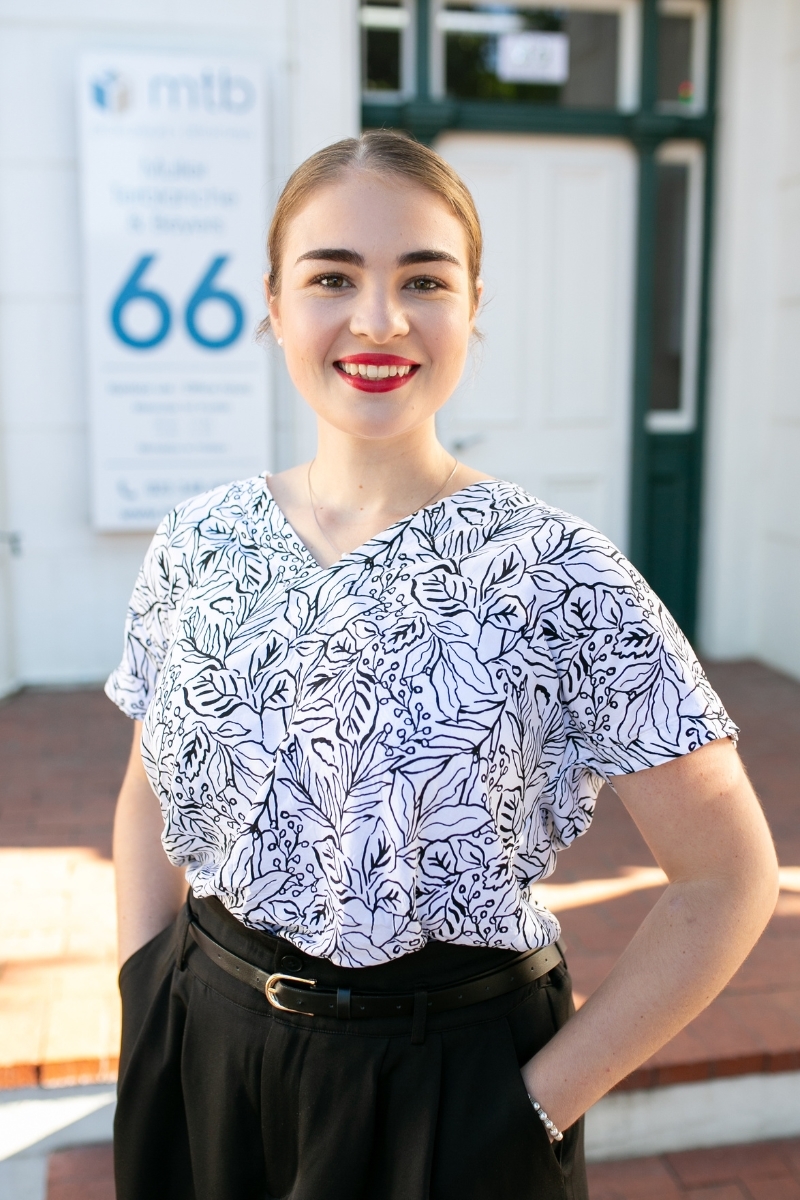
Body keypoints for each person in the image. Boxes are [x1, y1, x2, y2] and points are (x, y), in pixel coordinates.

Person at [107, 131, 778, 1200]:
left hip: (449, 1088)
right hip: (204, 1049)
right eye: (332, 277)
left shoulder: (556, 571)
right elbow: (148, 791)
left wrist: (529, 1109)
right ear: (273, 303)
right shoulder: (199, 542)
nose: (379, 320)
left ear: (471, 307)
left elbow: (727, 878)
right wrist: (146, 996)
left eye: (423, 279)